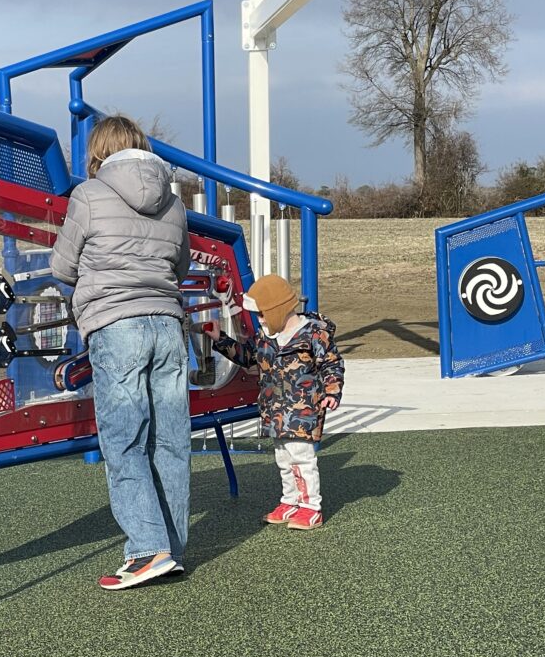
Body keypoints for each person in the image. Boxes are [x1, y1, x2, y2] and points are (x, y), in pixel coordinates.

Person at [50, 115, 191, 590]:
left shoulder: (88, 195)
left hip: (116, 324)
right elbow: (181, 261)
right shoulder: (174, 200)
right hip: (168, 326)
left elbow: (63, 265)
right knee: (170, 438)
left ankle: (148, 550)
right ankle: (170, 544)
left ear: (99, 153)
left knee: (124, 438)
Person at [202, 274, 344, 530]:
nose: (260, 320)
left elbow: (331, 363)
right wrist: (220, 339)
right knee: (283, 457)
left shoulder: (313, 334)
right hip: (275, 410)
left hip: (303, 410)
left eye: (262, 314)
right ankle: (290, 500)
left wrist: (332, 391)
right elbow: (248, 357)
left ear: (277, 310)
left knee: (301, 457)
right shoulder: (267, 336)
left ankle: (311, 506)